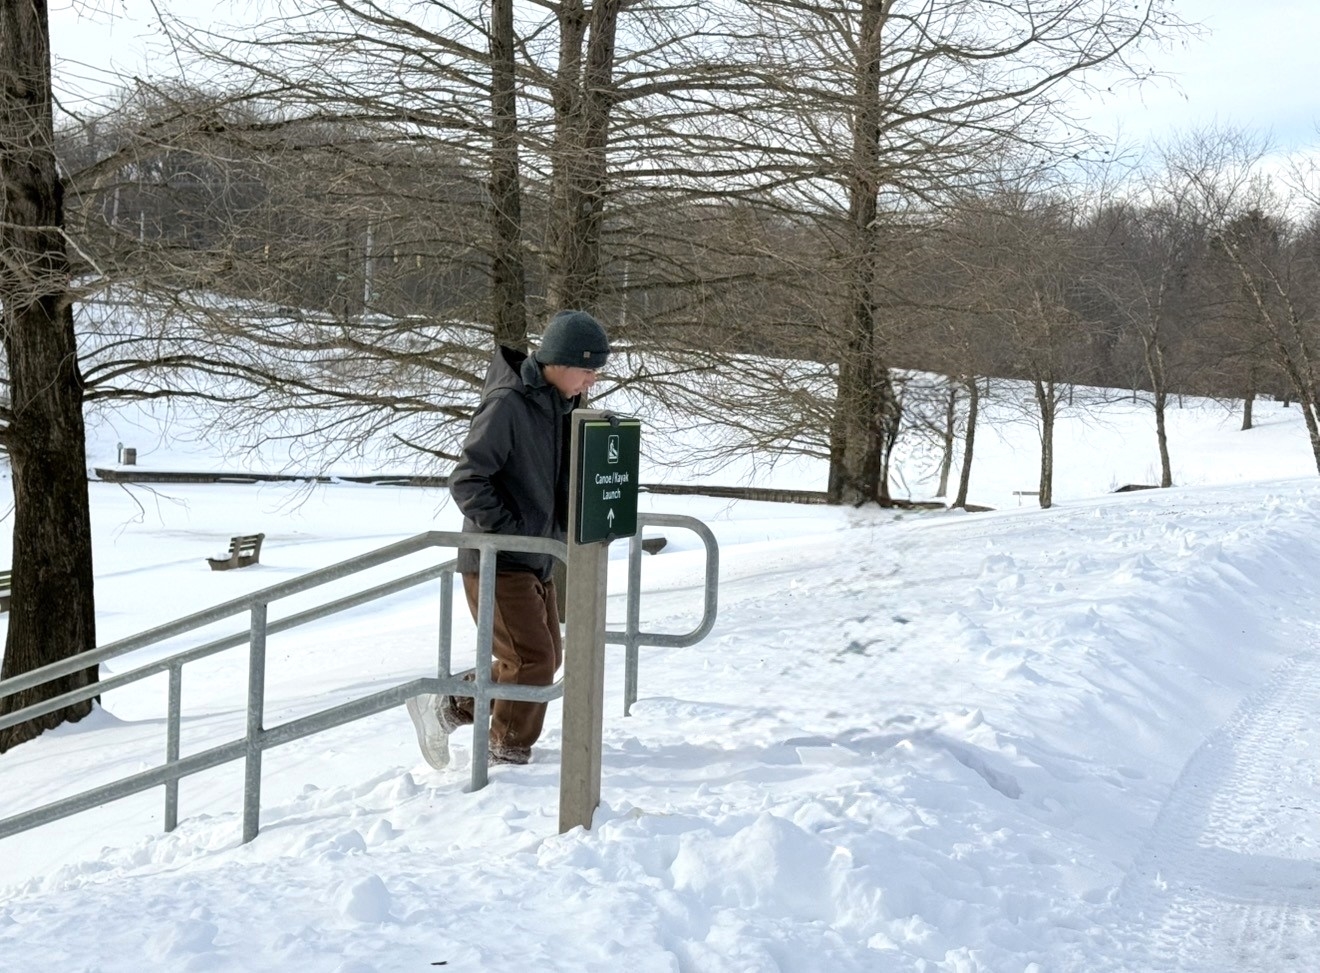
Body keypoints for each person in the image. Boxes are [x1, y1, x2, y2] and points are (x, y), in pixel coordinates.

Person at [406, 309, 610, 768]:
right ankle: (507, 753)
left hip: (537, 557)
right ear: (558, 360)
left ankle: (448, 706)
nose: (592, 380)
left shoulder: (563, 406)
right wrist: (513, 533)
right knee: (533, 660)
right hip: (498, 558)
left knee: (543, 657)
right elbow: (468, 480)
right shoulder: (509, 403)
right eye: (587, 368)